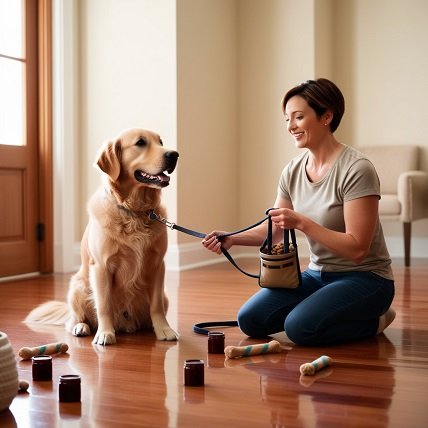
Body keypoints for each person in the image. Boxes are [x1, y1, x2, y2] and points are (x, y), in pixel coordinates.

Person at [202, 78, 395, 346]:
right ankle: (321, 310)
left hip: (366, 278)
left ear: (326, 116)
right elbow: (276, 227)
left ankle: (376, 319)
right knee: (251, 321)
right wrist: (233, 238)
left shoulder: (356, 169)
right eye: (287, 119)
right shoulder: (292, 170)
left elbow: (357, 248)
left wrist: (303, 223)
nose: (291, 126)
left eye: (298, 117)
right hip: (317, 274)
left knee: (300, 328)